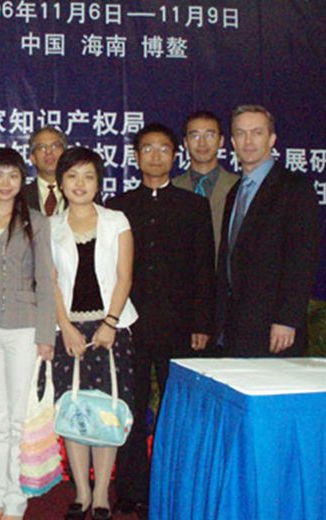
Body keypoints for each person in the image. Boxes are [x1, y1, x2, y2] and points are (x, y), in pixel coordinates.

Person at [107, 123, 216, 516]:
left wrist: (202, 324)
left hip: (179, 327)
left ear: (175, 155)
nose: (155, 156)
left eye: (164, 149)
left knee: (177, 412)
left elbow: (204, 270)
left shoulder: (193, 206)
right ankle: (132, 489)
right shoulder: (118, 206)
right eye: (148, 149)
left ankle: (175, 486)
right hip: (130, 326)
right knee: (130, 408)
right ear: (136, 157)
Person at [0, 148, 56, 520]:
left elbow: (46, 280)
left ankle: (16, 502)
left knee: (19, 418)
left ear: (23, 180)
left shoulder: (37, 222)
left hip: (24, 325)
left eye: (13, 176)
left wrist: (46, 333)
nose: (5, 184)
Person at [50, 147, 137, 520]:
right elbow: (50, 283)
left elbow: (124, 276)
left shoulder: (116, 220)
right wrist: (66, 326)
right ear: (61, 183)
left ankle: (101, 492)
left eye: (88, 176)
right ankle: (81, 491)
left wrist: (110, 323)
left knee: (106, 408)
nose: (80, 184)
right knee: (74, 408)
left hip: (111, 327)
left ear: (99, 182)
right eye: (72, 176)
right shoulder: (50, 226)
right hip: (68, 329)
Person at [216, 104, 320, 357]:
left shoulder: (294, 188)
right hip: (236, 325)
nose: (248, 141)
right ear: (232, 142)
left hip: (275, 328)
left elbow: (302, 258)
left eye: (257, 133)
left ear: (272, 139)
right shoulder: (235, 191)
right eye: (241, 133)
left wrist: (287, 319)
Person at [172, 110, 239, 259]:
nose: (202, 143)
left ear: (221, 141)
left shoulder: (239, 187)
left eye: (209, 135)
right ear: (185, 142)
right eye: (195, 136)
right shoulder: (172, 188)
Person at [24, 126, 67, 216]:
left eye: (55, 146)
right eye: (42, 147)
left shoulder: (81, 192)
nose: (49, 152)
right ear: (32, 158)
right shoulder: (19, 196)